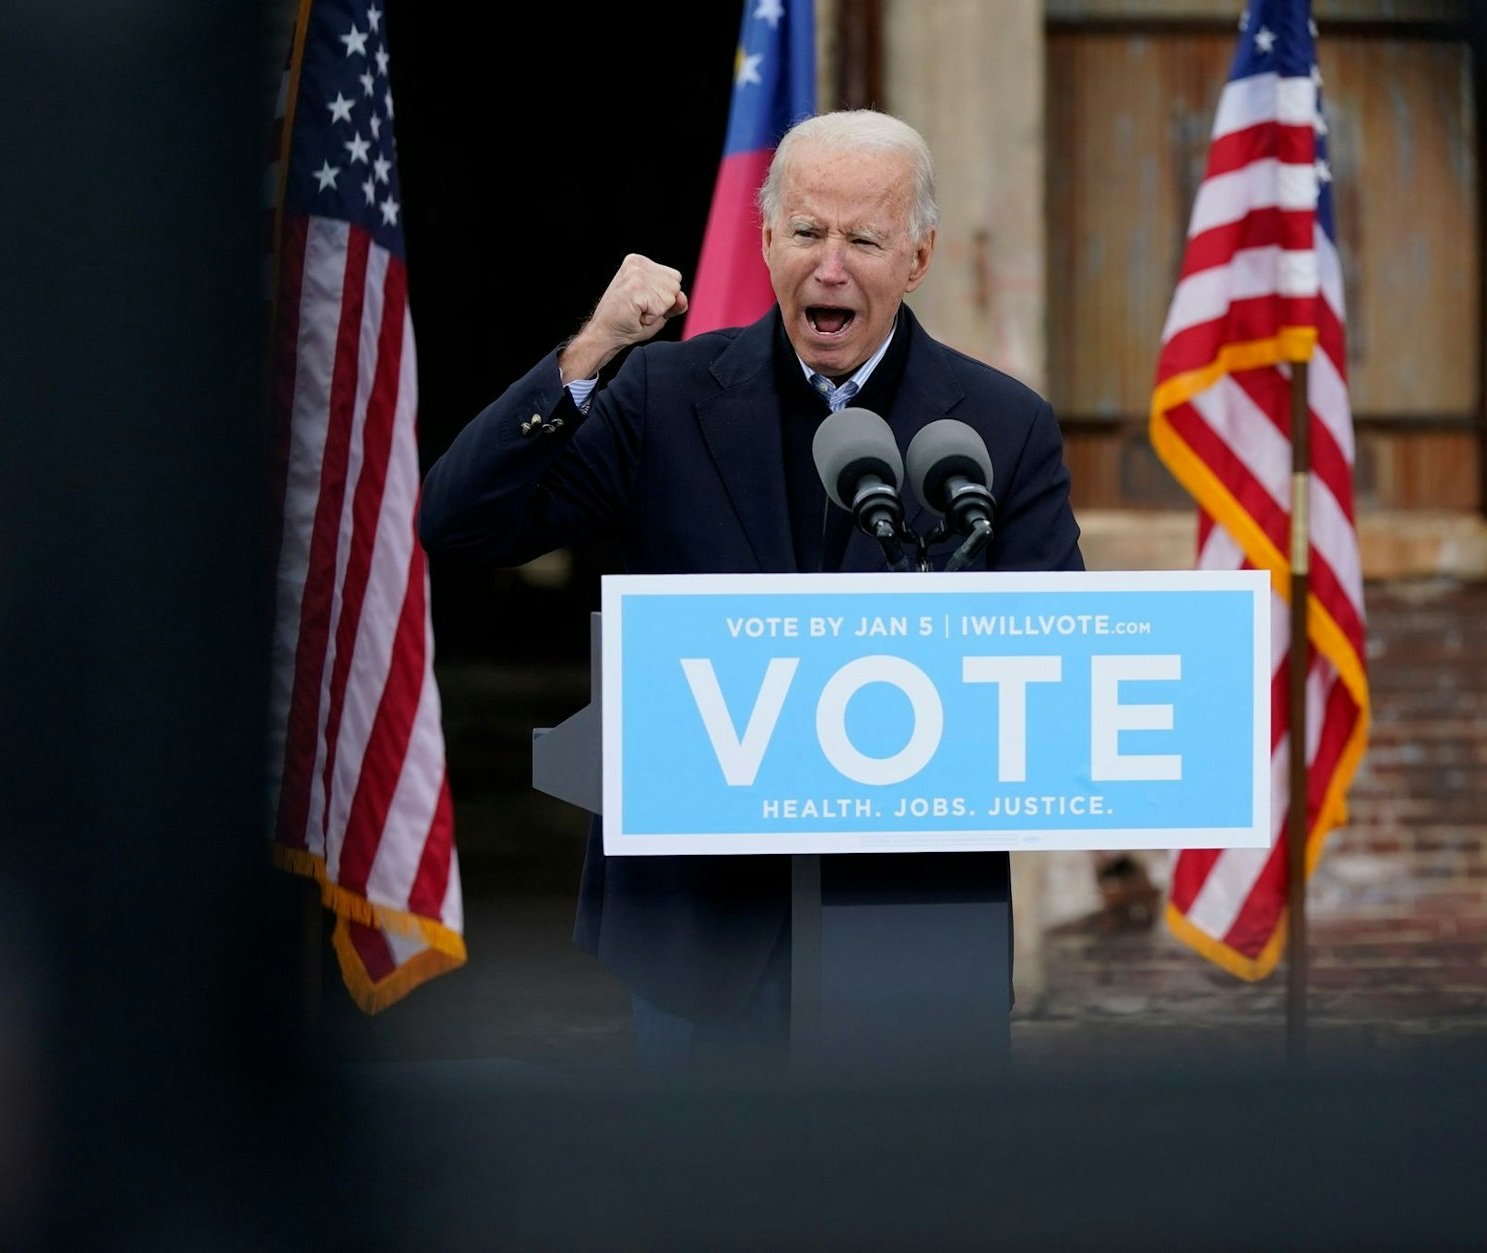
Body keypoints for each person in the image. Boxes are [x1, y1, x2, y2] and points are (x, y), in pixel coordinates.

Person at [418, 108, 1084, 1066]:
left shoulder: (1002, 426)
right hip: (701, 941)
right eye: (808, 232)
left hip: (911, 936)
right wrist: (590, 350)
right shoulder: (661, 397)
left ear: (919, 258)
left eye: (865, 239)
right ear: (766, 238)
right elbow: (458, 521)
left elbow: (1055, 665)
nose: (831, 266)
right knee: (711, 1215)